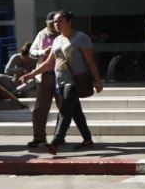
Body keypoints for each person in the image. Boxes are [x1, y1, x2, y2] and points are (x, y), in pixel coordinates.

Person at [20, 10, 103, 154]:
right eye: (55, 22)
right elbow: (48, 63)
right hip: (62, 81)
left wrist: (97, 80)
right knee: (76, 112)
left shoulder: (80, 38)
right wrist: (31, 75)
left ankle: (55, 143)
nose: (56, 24)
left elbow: (90, 61)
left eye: (60, 21)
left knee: (65, 110)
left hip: (76, 80)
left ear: (69, 22)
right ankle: (87, 139)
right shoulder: (57, 40)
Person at [27, 11, 60, 148]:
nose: (53, 27)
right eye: (50, 24)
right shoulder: (42, 34)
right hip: (45, 75)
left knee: (63, 108)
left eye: (55, 24)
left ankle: (59, 137)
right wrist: (42, 52)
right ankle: (39, 137)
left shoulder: (63, 35)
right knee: (40, 108)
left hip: (61, 76)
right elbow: (31, 51)